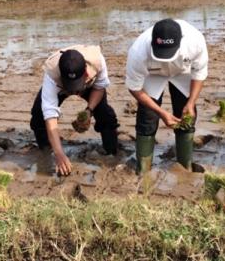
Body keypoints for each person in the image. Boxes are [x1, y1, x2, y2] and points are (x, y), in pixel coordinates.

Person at [125, 18, 208, 174]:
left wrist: (191, 102)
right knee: (147, 117)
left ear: (180, 42)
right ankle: (143, 168)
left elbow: (199, 74)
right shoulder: (138, 51)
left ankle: (185, 165)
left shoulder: (195, 41)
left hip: (182, 71)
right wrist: (161, 113)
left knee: (187, 116)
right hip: (153, 74)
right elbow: (134, 88)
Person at [30, 45, 120, 176]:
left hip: (89, 85)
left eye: (76, 86)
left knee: (105, 115)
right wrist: (59, 153)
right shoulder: (52, 74)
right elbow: (50, 117)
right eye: (70, 86)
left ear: (86, 73)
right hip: (60, 86)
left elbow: (99, 88)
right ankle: (45, 149)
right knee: (38, 114)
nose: (74, 91)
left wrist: (89, 111)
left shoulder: (98, 62)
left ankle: (111, 151)